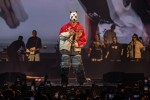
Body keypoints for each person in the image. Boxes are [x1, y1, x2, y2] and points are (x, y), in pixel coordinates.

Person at [59, 11, 87, 86]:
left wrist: (77, 44)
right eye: (72, 16)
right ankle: (64, 83)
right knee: (65, 67)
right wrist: (69, 33)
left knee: (78, 66)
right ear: (70, 17)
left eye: (75, 16)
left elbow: (84, 39)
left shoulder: (80, 27)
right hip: (66, 50)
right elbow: (61, 36)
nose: (74, 18)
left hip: (76, 50)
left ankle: (81, 82)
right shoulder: (65, 27)